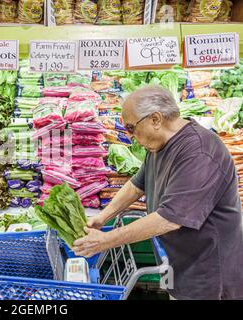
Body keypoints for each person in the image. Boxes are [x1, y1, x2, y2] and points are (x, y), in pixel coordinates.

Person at [73, 85, 243, 300]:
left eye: (131, 127)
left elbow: (169, 219)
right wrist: (102, 217)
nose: (129, 135)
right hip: (180, 264)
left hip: (210, 274)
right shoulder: (160, 144)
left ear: (155, 119)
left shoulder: (199, 152)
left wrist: (105, 241)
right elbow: (137, 184)